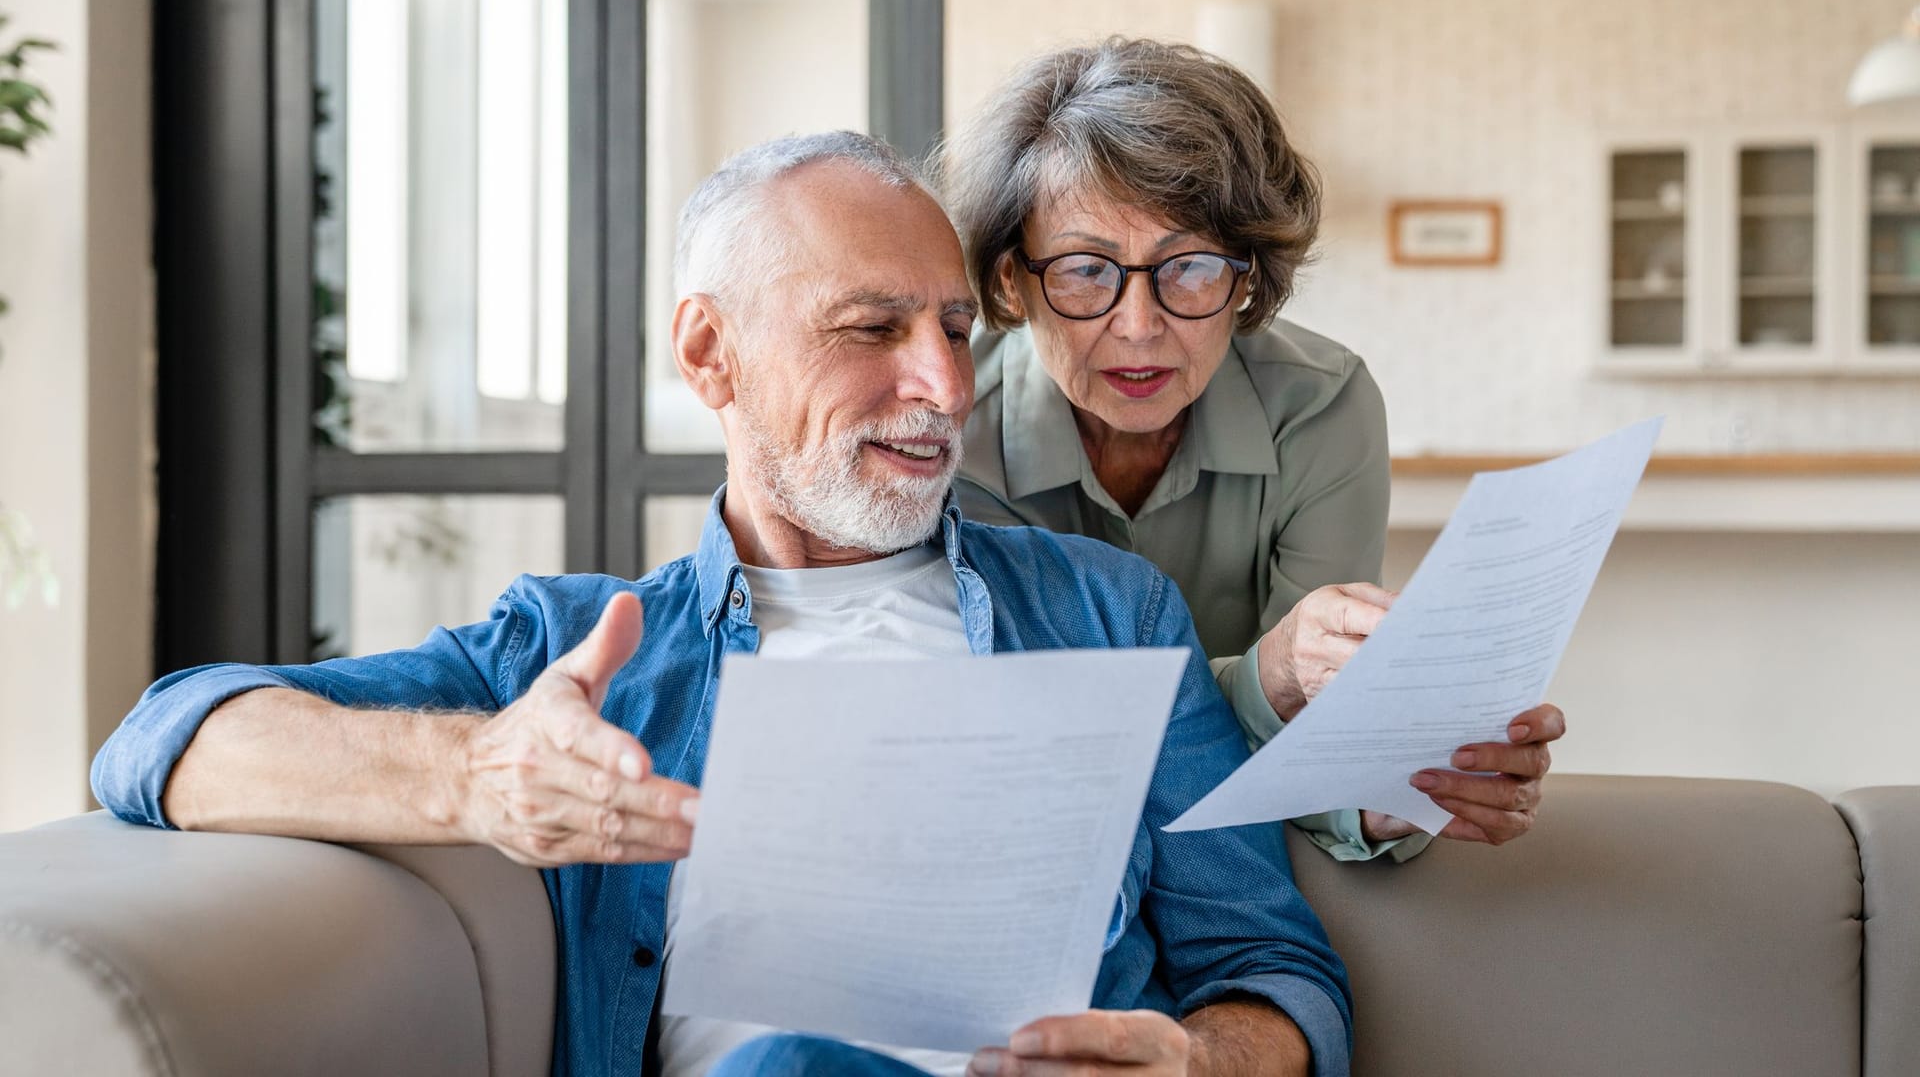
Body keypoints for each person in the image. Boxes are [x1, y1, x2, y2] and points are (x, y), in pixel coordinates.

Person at [93, 132, 1351, 1077]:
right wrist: (478, 773)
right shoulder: (579, 651)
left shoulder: (1111, 614)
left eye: (957, 329)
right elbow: (162, 740)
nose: (941, 385)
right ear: (710, 354)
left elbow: (1274, 974)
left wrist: (1197, 1063)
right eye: (873, 329)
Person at [942, 38, 1563, 861]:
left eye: (1192, 268)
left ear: (1247, 281)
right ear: (1013, 280)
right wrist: (1268, 679)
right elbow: (1037, 741)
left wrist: (1385, 795)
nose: (1138, 325)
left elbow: (1326, 739)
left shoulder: (1322, 405)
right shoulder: (949, 428)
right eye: (1087, 270)